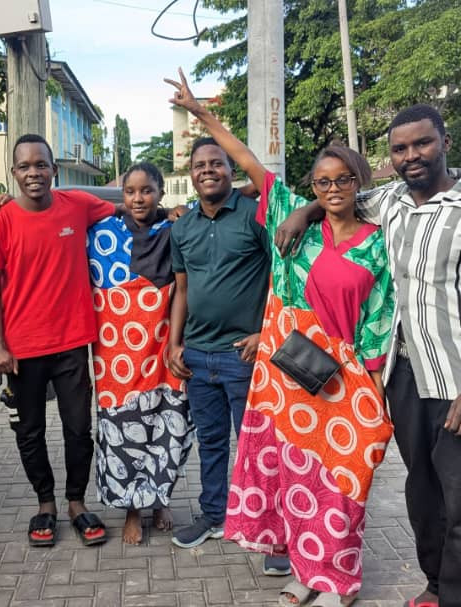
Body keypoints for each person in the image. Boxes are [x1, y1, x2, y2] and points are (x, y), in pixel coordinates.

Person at [280, 104, 461, 607]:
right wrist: (303, 212)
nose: (411, 155)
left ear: (445, 143)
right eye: (400, 149)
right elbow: (337, 196)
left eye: (422, 143)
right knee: (424, 495)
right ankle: (436, 586)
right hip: (405, 376)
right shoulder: (389, 200)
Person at [167, 71, 394, 607]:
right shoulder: (295, 226)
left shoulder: (378, 243)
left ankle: (339, 577)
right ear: (311, 187)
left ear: (358, 183)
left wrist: (376, 389)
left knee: (345, 479)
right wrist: (201, 114)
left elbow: (379, 318)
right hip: (288, 374)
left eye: (343, 180)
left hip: (346, 377)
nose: (332, 189)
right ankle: (303, 569)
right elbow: (246, 161)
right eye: (322, 182)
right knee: (297, 477)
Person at [0, 133, 114, 548]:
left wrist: (172, 209)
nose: (33, 172)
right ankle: (45, 504)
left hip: (72, 342)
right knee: (30, 431)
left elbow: (130, 202)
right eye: (24, 166)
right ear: (14, 173)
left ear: (55, 170)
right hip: (22, 350)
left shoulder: (78, 205)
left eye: (41, 165)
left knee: (79, 429)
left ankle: (76, 502)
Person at [163, 83, 273, 559]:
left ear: (231, 170)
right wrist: (174, 343)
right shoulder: (183, 226)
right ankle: (213, 514)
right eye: (200, 165)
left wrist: (266, 332)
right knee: (210, 443)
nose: (208, 170)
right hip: (198, 356)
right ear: (190, 175)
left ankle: (268, 527)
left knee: (257, 445)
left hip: (242, 355)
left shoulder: (255, 215)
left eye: (217, 164)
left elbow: (280, 280)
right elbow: (182, 289)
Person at [88, 162, 194, 545]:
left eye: (147, 190)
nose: (137, 198)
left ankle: (159, 499)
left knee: (168, 425)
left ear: (161, 193)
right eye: (130, 191)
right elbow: (59, 203)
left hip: (164, 346)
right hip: (116, 356)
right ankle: (132, 509)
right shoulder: (101, 232)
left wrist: (172, 214)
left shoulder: (176, 231)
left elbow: (235, 195)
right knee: (122, 432)